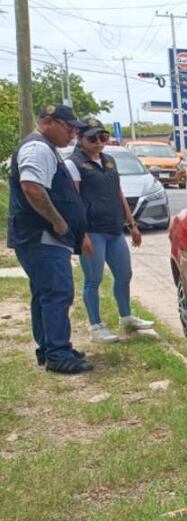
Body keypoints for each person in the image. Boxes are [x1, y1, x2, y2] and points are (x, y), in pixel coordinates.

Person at [6, 104, 93, 373]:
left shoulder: (46, 148)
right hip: (41, 236)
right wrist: (58, 222)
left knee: (45, 293)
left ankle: (51, 348)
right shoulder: (38, 148)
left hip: (41, 237)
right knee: (57, 292)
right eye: (68, 128)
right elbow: (32, 188)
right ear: (48, 121)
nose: (72, 135)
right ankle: (57, 353)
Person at [64, 118, 154, 343]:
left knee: (124, 274)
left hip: (114, 229)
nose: (98, 142)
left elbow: (118, 193)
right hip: (92, 231)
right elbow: (73, 201)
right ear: (80, 139)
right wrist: (81, 233)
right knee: (93, 279)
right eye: (92, 138)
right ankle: (96, 326)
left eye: (102, 137)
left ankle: (126, 316)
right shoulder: (74, 164)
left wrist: (131, 224)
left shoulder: (109, 160)